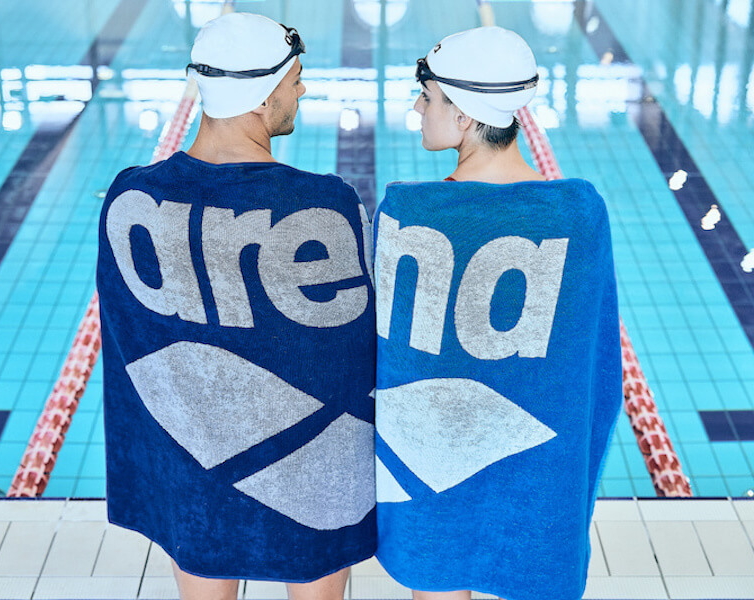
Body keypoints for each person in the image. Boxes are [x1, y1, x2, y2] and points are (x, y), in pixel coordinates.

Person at [96, 13, 377, 600]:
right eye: (295, 80)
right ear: (261, 96)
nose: (301, 91)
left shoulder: (131, 199)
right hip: (312, 475)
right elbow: (356, 350)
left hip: (189, 468)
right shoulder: (326, 204)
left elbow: (131, 341)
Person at [372, 27, 622, 600]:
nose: (417, 108)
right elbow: (600, 369)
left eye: (427, 97)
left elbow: (386, 356)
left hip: (430, 475)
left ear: (462, 115)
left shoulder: (409, 211)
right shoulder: (580, 214)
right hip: (538, 479)